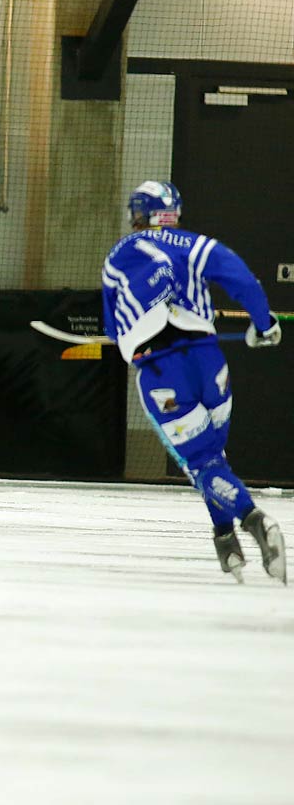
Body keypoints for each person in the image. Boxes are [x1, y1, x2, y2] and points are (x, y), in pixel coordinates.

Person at [102, 180, 284, 584]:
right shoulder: (195, 244)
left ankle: (256, 522)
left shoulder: (118, 257)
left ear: (138, 214)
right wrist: (264, 325)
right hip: (209, 361)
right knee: (213, 457)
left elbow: (114, 330)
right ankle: (225, 540)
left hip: (162, 372)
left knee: (201, 462)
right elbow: (243, 280)